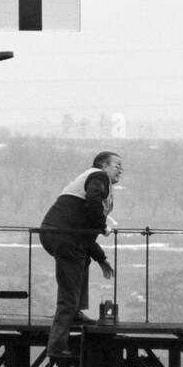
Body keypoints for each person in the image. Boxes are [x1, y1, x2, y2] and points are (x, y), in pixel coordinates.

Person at [39, 152, 123, 356]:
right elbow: (93, 202)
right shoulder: (98, 177)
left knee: (82, 260)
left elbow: (85, 235)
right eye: (117, 165)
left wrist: (101, 258)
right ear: (104, 165)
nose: (121, 170)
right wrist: (103, 227)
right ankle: (57, 346)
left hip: (58, 234)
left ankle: (75, 314)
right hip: (65, 237)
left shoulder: (87, 179)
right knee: (68, 295)